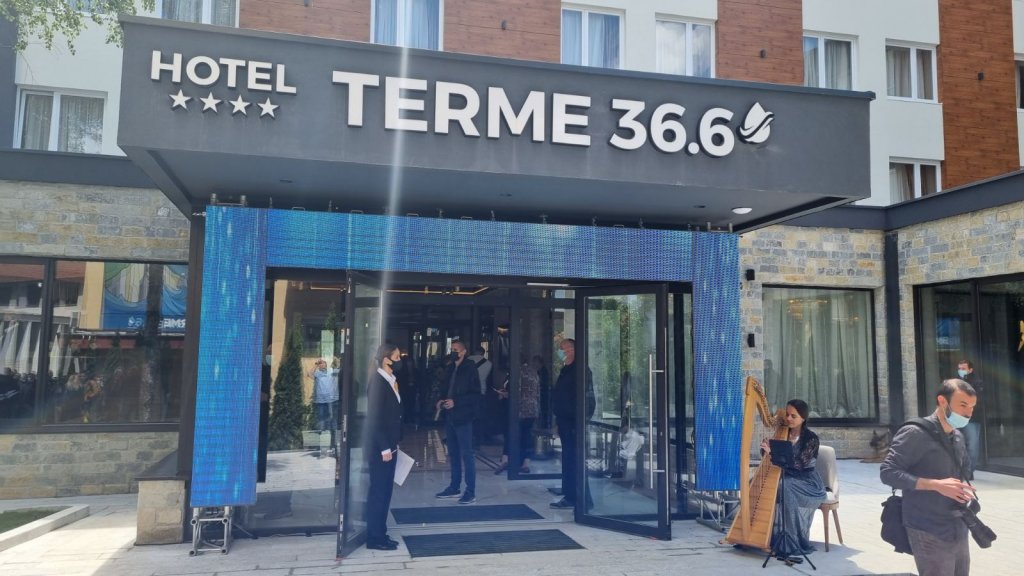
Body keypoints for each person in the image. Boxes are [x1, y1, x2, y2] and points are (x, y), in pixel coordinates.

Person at [880, 379, 977, 576]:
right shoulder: (915, 432)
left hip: (957, 524)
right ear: (942, 401)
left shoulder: (958, 436)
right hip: (927, 526)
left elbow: (962, 472)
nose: (968, 413)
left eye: (972, 407)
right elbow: (888, 472)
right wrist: (935, 485)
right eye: (963, 405)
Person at [759, 399, 827, 561]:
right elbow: (772, 459)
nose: (788, 418)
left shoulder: (811, 439)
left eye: (793, 416)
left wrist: (772, 453)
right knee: (763, 485)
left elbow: (799, 464)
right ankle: (761, 537)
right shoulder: (783, 433)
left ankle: (791, 542)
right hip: (788, 477)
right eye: (787, 414)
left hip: (807, 482)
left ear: (803, 418)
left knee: (785, 486)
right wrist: (766, 449)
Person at [364, 343, 405, 551]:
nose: (400, 360)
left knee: (386, 490)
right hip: (382, 448)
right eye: (397, 357)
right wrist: (384, 447)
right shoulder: (378, 382)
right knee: (379, 491)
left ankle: (381, 531)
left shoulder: (391, 380)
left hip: (391, 444)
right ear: (386, 359)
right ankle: (374, 537)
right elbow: (374, 418)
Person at [435, 341, 482, 505]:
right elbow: (445, 389)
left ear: (463, 352)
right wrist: (440, 400)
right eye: (451, 349)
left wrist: (457, 402)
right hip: (450, 416)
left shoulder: (470, 368)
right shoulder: (450, 368)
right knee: (453, 453)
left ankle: (470, 491)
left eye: (456, 350)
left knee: (467, 453)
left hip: (464, 417)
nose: (453, 352)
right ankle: (454, 486)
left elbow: (475, 395)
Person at [550, 338, 595, 509]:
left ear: (572, 350)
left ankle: (582, 499)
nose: (560, 352)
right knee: (568, 459)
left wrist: (581, 420)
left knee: (575, 459)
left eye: (563, 348)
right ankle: (570, 495)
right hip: (564, 421)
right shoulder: (566, 370)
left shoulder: (581, 370)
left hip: (574, 422)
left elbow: (587, 398)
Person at [495, 356, 540, 474]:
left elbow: (516, 392)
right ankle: (525, 463)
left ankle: (505, 459)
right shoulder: (534, 372)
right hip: (532, 409)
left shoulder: (517, 373)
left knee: (511, 433)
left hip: (519, 409)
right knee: (527, 436)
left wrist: (505, 395)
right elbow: (537, 392)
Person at [956, 360, 983, 476]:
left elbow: (976, 399)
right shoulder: (956, 382)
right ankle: (958, 469)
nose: (961, 371)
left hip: (972, 418)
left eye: (963, 368)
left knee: (972, 445)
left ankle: (969, 471)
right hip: (956, 417)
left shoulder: (977, 382)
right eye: (959, 368)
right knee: (957, 443)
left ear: (970, 370)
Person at [308, 358, 339, 451]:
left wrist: (337, 360)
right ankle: (320, 445)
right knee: (321, 422)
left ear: (326, 364)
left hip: (331, 400)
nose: (321, 364)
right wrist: (315, 365)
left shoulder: (331, 371)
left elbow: (340, 370)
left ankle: (333, 444)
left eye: (323, 363)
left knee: (332, 421)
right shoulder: (317, 373)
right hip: (321, 402)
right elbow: (309, 374)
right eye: (320, 363)